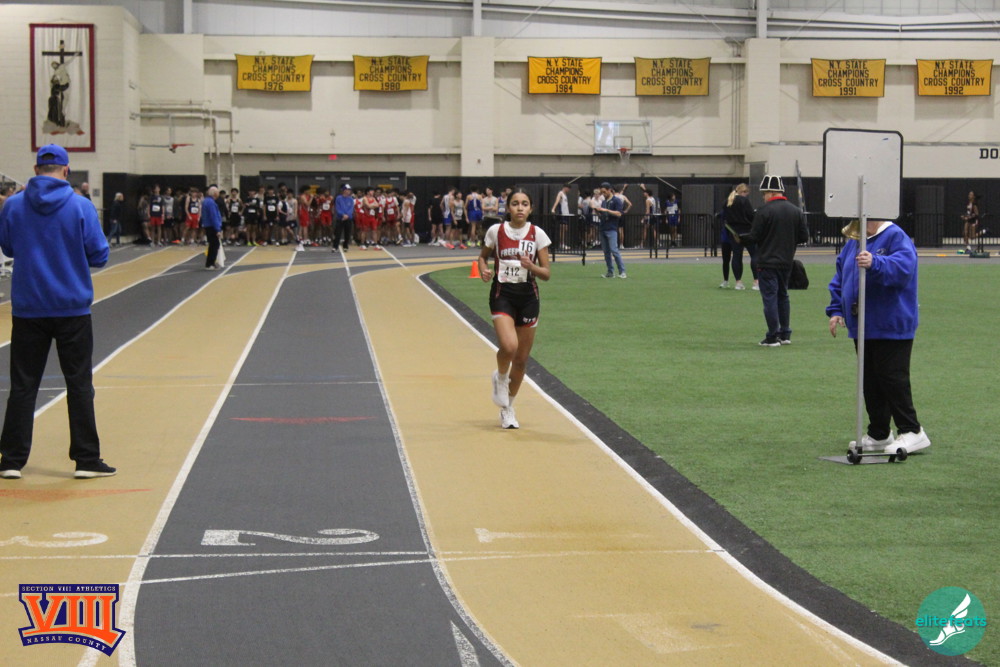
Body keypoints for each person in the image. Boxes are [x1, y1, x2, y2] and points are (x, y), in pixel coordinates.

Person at [0, 144, 114, 479]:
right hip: (72, 308)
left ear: (36, 170)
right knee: (79, 384)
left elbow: (7, 247)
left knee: (23, 386)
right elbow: (99, 255)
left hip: (28, 308)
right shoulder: (81, 205)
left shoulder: (13, 205)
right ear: (66, 170)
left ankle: (11, 460)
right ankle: (86, 459)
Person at [827, 217, 931, 455]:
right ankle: (879, 433)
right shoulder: (855, 241)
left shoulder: (895, 236)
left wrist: (876, 262)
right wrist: (836, 309)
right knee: (870, 380)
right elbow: (842, 276)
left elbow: (904, 269)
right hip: (862, 323)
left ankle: (912, 430)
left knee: (892, 378)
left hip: (891, 322)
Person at [477, 189, 552, 429]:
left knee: (520, 359)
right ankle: (500, 377)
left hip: (528, 297)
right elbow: (483, 257)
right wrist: (483, 269)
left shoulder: (537, 234)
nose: (520, 207)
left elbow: (546, 273)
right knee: (509, 346)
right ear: (508, 208)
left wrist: (532, 266)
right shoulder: (496, 231)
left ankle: (508, 409)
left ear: (531, 209)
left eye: (525, 204)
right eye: (515, 203)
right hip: (503, 295)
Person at [742, 175, 808, 346]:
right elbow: (804, 237)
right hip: (786, 261)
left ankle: (772, 336)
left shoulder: (764, 211)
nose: (763, 197)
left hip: (767, 261)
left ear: (771, 193)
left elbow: (754, 236)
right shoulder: (796, 211)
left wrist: (741, 238)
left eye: (764, 193)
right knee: (783, 296)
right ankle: (785, 334)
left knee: (770, 298)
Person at [722, 183, 759, 290]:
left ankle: (738, 282)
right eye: (747, 193)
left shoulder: (727, 201)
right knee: (755, 255)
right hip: (747, 232)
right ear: (744, 192)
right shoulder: (744, 201)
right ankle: (756, 282)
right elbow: (751, 215)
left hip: (734, 233)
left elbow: (724, 217)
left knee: (737, 256)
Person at [594, 182, 626, 279]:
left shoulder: (616, 200)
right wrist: (598, 212)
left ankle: (622, 271)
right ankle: (610, 272)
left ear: (609, 190)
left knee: (614, 250)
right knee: (606, 252)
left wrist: (607, 210)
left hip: (612, 229)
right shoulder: (604, 202)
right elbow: (602, 216)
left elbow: (619, 214)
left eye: (604, 192)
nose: (603, 194)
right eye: (602, 192)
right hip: (603, 228)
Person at [201, 185, 223, 269]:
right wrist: (218, 229)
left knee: (212, 244)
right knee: (215, 244)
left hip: (208, 225)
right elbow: (213, 216)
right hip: (212, 226)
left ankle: (210, 262)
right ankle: (211, 263)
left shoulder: (206, 201)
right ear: (215, 193)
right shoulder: (211, 203)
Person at [333, 184, 354, 253]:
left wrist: (347, 215)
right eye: (347, 190)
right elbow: (338, 208)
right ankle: (335, 246)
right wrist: (342, 214)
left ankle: (345, 246)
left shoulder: (351, 199)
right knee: (337, 233)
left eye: (349, 190)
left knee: (347, 233)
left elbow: (351, 208)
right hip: (340, 218)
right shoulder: (338, 198)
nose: (348, 191)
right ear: (344, 190)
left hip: (348, 218)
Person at [550, 184, 572, 250]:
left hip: (566, 214)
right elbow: (557, 201)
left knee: (565, 229)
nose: (569, 190)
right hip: (562, 214)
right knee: (562, 229)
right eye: (568, 189)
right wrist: (553, 208)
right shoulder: (560, 193)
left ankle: (563, 243)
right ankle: (561, 244)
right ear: (565, 187)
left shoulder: (565, 195)